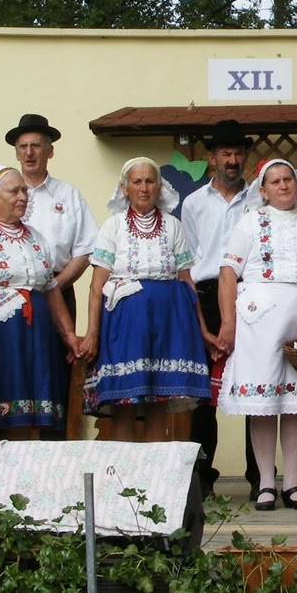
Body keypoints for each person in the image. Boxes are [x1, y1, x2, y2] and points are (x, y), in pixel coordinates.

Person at [216, 159, 297, 511]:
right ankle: (264, 483)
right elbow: (228, 272)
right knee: (262, 406)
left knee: (296, 404)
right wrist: (228, 322)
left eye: (288, 179)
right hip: (259, 319)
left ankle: (292, 483)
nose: (283, 186)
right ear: (263, 190)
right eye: (274, 181)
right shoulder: (250, 222)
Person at [0, 166, 83, 494]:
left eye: (24, 191)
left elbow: (51, 289)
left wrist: (68, 335)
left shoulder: (36, 238)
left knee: (30, 414)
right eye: (13, 191)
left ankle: (25, 494)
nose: (22, 197)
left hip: (34, 338)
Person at [80, 158, 212, 442]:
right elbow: (96, 286)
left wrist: (202, 330)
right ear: (124, 188)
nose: (143, 187)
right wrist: (92, 333)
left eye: (150, 181)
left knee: (158, 403)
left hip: (167, 323)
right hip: (125, 324)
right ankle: (122, 483)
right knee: (124, 404)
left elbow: (186, 281)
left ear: (159, 186)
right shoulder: (113, 227)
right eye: (136, 181)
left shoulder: (173, 226)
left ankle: (153, 484)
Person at [181, 119, 261, 497]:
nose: (233, 160)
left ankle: (260, 478)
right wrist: (199, 313)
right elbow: (191, 260)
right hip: (207, 297)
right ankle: (201, 477)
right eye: (225, 153)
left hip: (252, 297)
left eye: (238, 153)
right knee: (202, 394)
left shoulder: (260, 199)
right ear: (212, 158)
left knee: (256, 385)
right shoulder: (193, 203)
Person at [6, 114, 98, 438]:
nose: (29, 152)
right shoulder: (1, 193)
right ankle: (13, 459)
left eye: (36, 146)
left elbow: (87, 249)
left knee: (55, 372)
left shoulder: (67, 195)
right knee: (14, 373)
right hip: (11, 298)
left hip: (59, 287)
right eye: (23, 147)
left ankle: (54, 456)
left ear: (50, 151)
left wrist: (54, 286)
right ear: (16, 152)